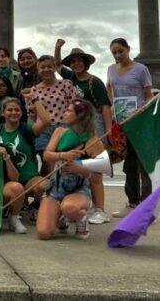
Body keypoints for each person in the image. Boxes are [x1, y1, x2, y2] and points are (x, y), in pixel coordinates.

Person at [55, 41, 113, 224]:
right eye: (73, 62)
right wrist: (57, 48)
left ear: (86, 63)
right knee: (76, 165)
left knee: (96, 168)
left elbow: (104, 107)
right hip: (74, 126)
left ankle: (100, 209)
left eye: (80, 61)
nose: (76, 64)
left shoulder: (94, 82)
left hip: (93, 123)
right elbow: (57, 65)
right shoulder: (70, 77)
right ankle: (79, 205)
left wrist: (109, 130)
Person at [37, 100, 104, 240]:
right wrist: (62, 155)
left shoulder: (94, 142)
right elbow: (46, 155)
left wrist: (80, 168)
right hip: (56, 187)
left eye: (68, 111)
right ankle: (61, 216)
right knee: (44, 233)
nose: (64, 113)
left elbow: (97, 179)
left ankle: (80, 218)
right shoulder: (60, 132)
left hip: (78, 188)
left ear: (80, 115)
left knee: (70, 208)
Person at [106, 37, 153, 219]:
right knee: (129, 164)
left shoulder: (141, 70)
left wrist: (141, 111)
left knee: (144, 165)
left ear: (128, 49)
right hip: (122, 124)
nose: (118, 55)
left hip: (140, 122)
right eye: (114, 53)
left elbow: (149, 96)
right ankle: (132, 202)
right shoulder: (111, 69)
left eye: (120, 51)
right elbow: (109, 88)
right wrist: (112, 108)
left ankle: (147, 207)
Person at [0, 94, 51, 221]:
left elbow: (47, 121)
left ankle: (35, 207)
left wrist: (35, 99)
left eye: (17, 110)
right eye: (9, 110)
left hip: (28, 178)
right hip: (8, 180)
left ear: (21, 113)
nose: (14, 112)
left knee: (44, 185)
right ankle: (14, 206)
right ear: (3, 113)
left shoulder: (27, 128)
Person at [25, 55, 76, 170]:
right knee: (48, 161)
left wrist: (75, 129)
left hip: (64, 127)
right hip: (43, 130)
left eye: (49, 66)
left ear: (54, 68)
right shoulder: (33, 90)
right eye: (42, 67)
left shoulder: (66, 84)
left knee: (65, 162)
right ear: (38, 70)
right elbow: (31, 115)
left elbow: (73, 108)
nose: (46, 69)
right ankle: (49, 186)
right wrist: (29, 134)